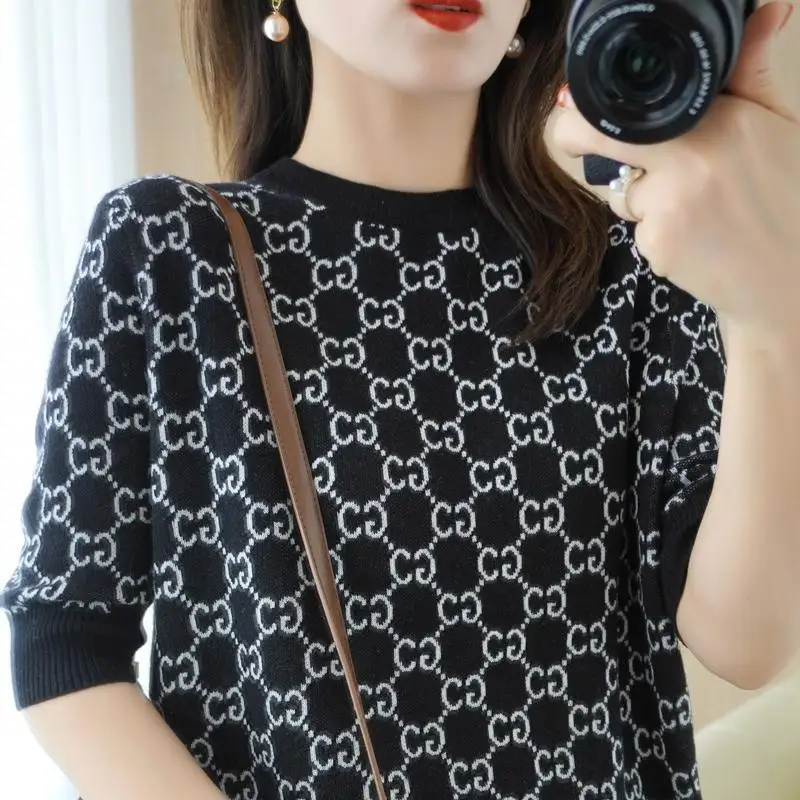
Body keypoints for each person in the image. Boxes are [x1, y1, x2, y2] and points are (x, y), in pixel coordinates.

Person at [2, 0, 799, 798]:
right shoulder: (171, 249)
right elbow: (66, 641)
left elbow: (744, 642)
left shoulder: (633, 270)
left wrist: (775, 317)